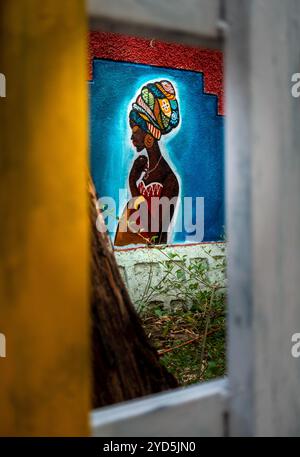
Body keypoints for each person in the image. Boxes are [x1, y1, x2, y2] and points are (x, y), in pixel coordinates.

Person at [115, 80, 180, 246]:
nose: (131, 137)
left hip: (155, 259)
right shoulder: (145, 171)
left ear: (149, 137)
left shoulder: (169, 180)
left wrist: (132, 183)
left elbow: (154, 229)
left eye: (135, 131)